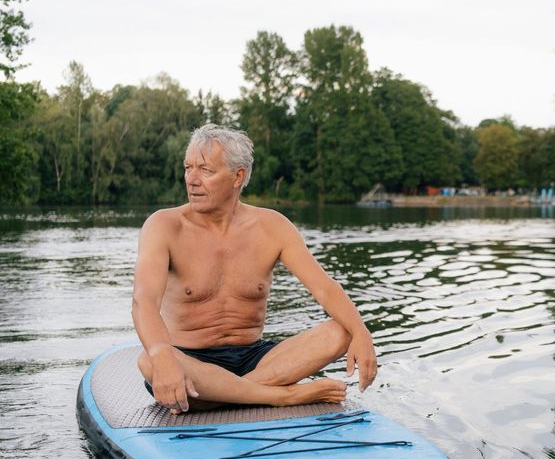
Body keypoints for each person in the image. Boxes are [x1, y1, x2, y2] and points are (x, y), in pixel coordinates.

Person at [131, 123, 376, 415]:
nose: (192, 180)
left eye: (206, 171)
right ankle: (282, 396)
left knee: (342, 329)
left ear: (239, 176)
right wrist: (161, 354)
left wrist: (362, 332)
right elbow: (143, 301)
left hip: (256, 358)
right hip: (189, 360)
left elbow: (323, 288)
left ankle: (226, 395)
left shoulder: (272, 226)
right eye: (188, 167)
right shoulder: (163, 226)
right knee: (149, 360)